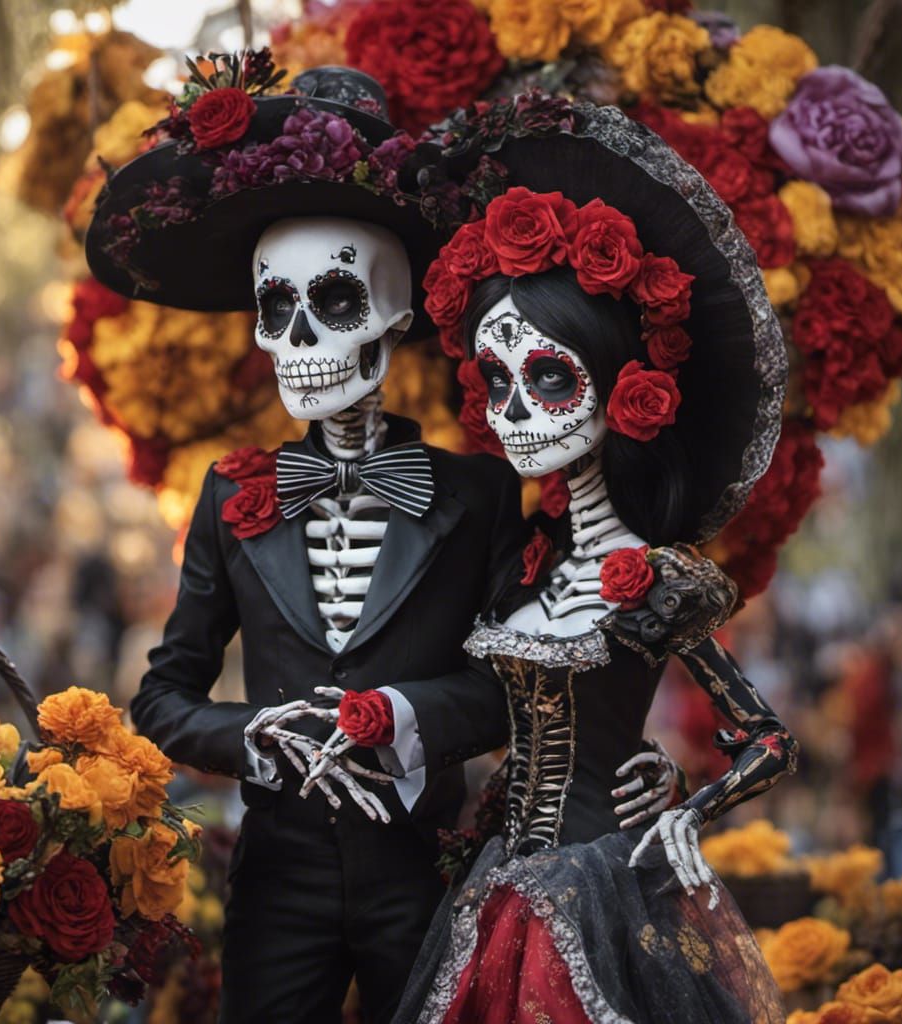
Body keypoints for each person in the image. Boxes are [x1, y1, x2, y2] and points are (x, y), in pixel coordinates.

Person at [85, 57, 680, 1024]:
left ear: (394, 322)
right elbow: (163, 695)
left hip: (426, 871)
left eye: (333, 304)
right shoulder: (234, 494)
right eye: (276, 312)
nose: (301, 340)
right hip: (277, 874)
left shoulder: (481, 490)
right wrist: (254, 737)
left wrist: (404, 716)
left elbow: (512, 681)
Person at [374, 96, 798, 1022]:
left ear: (621, 381)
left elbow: (768, 738)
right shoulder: (518, 563)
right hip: (491, 884)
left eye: (552, 377)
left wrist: (688, 803)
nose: (519, 411)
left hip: (604, 886)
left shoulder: (658, 580)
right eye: (498, 383)